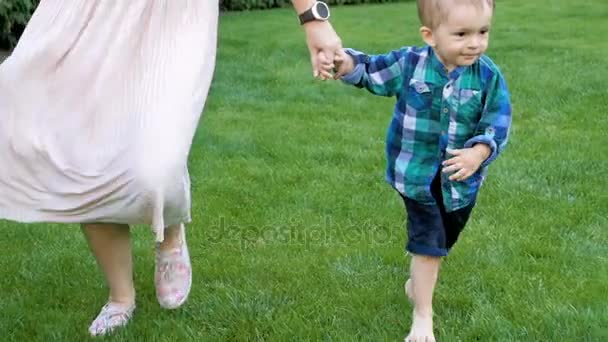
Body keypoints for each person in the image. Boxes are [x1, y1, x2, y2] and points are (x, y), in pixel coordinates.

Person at [0, 0, 342, 336]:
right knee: (79, 149)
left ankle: (170, 229)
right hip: (85, 11)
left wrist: (312, 16)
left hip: (174, 16)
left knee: (156, 166)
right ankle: (121, 297)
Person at [332, 0, 512, 340]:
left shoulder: (487, 76)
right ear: (430, 35)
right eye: (462, 34)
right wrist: (345, 63)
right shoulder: (409, 64)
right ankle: (422, 317)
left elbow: (497, 120)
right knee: (428, 245)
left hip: (460, 184)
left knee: (443, 241)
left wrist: (479, 152)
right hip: (415, 177)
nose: (475, 43)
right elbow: (370, 71)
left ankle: (418, 284)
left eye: (483, 32)